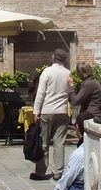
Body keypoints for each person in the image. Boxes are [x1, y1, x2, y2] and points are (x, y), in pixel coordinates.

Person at [20, 119, 86, 190]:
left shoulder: (79, 154)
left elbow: (64, 183)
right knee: (59, 142)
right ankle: (57, 170)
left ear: (77, 128)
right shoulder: (97, 150)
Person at [31, 48, 74, 181]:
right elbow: (71, 90)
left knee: (44, 142)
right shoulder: (68, 73)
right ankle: (58, 171)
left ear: (53, 58)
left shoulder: (47, 71)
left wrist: (36, 110)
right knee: (59, 142)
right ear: (64, 60)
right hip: (62, 111)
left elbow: (41, 93)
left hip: (47, 110)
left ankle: (41, 171)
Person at [71, 62, 101, 134]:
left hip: (90, 115)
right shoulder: (92, 81)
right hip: (92, 113)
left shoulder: (89, 84)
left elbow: (76, 101)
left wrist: (71, 87)